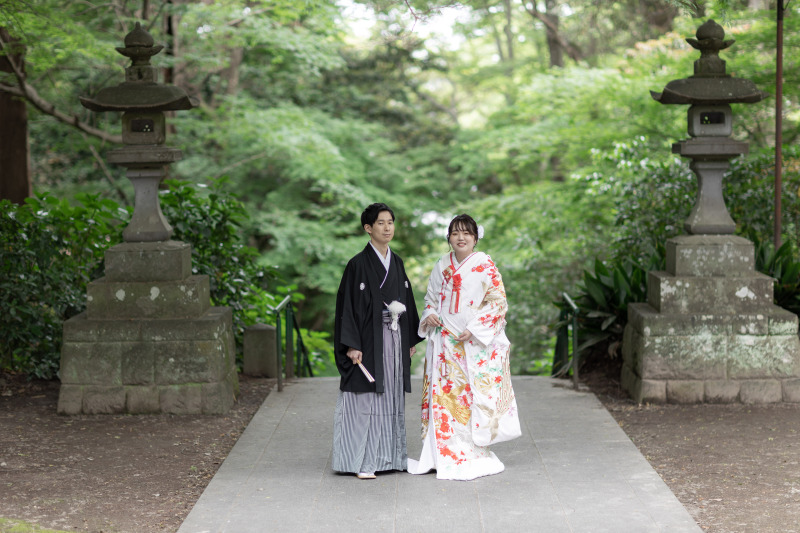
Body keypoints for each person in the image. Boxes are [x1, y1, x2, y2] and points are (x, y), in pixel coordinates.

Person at [407, 214, 521, 480]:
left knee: (469, 400)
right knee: (442, 398)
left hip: (471, 344)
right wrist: (430, 315)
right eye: (455, 233)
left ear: (475, 238)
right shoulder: (441, 265)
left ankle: (471, 454)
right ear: (449, 237)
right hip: (444, 342)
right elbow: (431, 299)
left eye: (466, 233)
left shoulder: (485, 265)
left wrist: (475, 329)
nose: (461, 238)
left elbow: (498, 303)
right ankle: (439, 454)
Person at [332, 203, 424, 479]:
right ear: (368, 228)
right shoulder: (357, 265)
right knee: (366, 398)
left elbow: (407, 302)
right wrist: (351, 343)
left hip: (394, 339)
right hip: (368, 340)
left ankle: (391, 457)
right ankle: (362, 461)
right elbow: (346, 306)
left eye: (390, 222)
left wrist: (409, 338)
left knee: (390, 395)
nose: (387, 228)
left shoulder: (396, 262)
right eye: (381, 223)